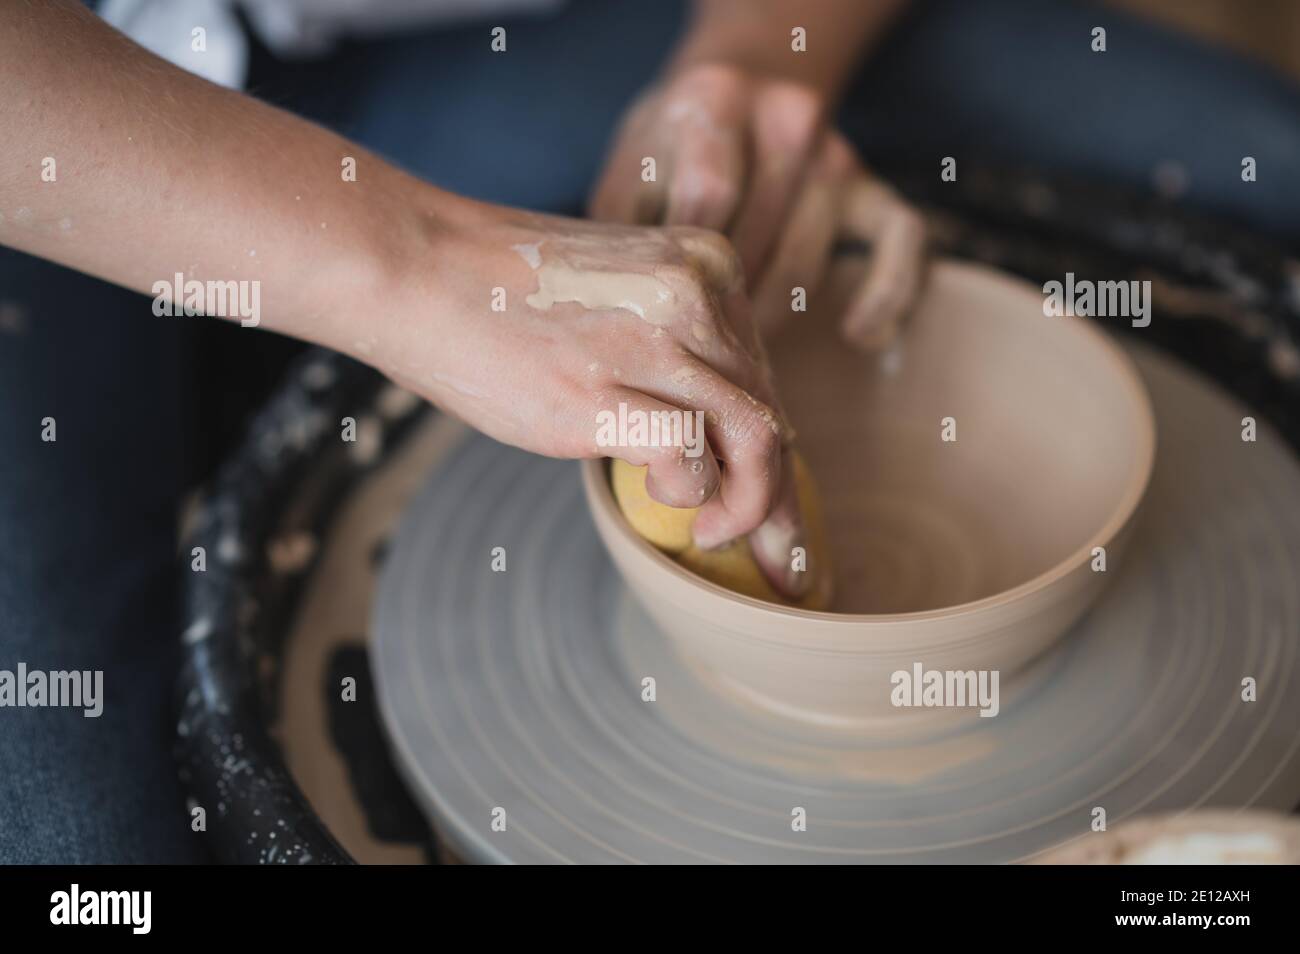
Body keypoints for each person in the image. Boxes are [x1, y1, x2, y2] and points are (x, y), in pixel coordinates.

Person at [2, 0, 1298, 863]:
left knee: (1263, 157)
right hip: (69, 102)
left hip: (535, 29)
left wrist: (753, 77)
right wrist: (413, 264)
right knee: (78, 846)